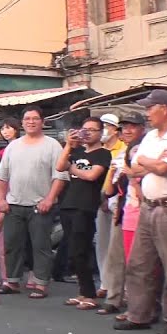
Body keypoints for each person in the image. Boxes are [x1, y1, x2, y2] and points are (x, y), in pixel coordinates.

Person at [117, 90, 167, 334]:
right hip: (148, 206)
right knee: (139, 263)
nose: (147, 113)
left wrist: (147, 161)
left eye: (150, 108)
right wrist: (148, 161)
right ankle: (139, 314)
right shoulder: (151, 135)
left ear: (164, 108)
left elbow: (162, 168)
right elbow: (135, 166)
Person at [0, 106, 67, 298]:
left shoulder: (52, 145)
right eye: (27, 119)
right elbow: (2, 176)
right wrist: (1, 199)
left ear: (43, 122)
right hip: (14, 204)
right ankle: (12, 281)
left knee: (41, 245)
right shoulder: (13, 146)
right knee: (12, 244)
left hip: (40, 205)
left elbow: (60, 176)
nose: (31, 122)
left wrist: (50, 199)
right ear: (22, 122)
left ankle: (41, 283)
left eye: (35, 118)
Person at [55, 117, 112, 309]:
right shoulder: (77, 151)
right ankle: (82, 292)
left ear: (100, 133)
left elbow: (91, 175)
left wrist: (72, 167)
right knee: (72, 251)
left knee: (81, 250)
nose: (87, 133)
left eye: (92, 130)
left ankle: (90, 294)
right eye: (84, 129)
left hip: (86, 206)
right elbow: (58, 166)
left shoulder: (103, 154)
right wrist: (69, 146)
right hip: (68, 204)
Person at [99, 113, 146, 315]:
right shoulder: (120, 154)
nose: (127, 131)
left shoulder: (145, 150)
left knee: (138, 262)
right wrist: (113, 171)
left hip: (143, 209)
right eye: (124, 127)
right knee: (115, 256)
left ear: (142, 128)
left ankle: (139, 305)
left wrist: (130, 173)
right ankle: (113, 298)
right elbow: (109, 189)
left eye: (132, 126)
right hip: (122, 207)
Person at [96, 114, 126, 298]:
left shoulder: (122, 148)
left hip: (116, 200)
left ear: (115, 129)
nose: (104, 130)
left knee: (116, 246)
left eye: (107, 126)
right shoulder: (98, 148)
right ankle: (105, 282)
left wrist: (108, 197)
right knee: (102, 243)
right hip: (98, 199)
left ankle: (119, 287)